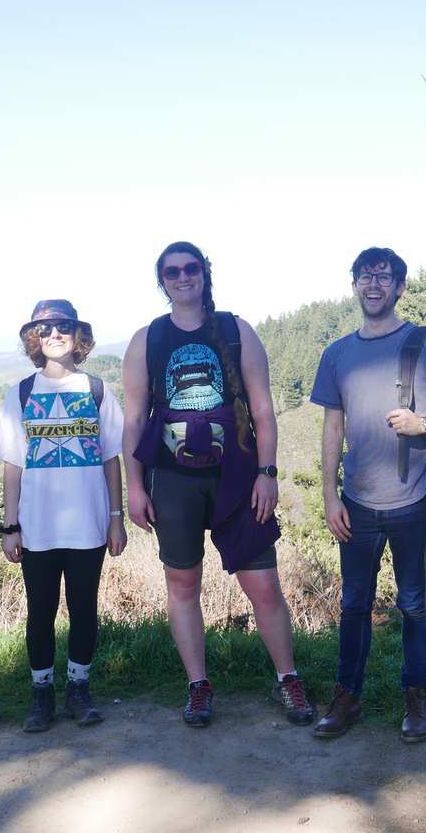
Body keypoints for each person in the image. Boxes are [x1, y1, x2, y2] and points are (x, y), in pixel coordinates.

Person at [122, 240, 315, 728]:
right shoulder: (146, 339)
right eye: (172, 272)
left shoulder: (236, 331)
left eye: (191, 268)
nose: (183, 277)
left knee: (263, 585)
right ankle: (198, 686)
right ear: (161, 281)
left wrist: (268, 474)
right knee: (182, 583)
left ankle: (287, 678)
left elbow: (264, 411)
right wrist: (136, 487)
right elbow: (133, 420)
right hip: (172, 479)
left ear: (205, 273)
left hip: (238, 476)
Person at [309, 248, 426, 743]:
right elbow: (331, 426)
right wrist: (329, 496)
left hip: (414, 499)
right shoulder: (337, 353)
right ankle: (347, 698)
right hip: (356, 503)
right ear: (354, 285)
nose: (374, 284)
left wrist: (424, 422)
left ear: (400, 287)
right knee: (354, 604)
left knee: (413, 604)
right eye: (365, 276)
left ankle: (415, 696)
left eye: (384, 277)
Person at [0, 300, 126, 732]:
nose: (55, 334)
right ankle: (42, 695)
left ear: (78, 336)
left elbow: (112, 458)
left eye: (64, 327)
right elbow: (12, 466)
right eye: (46, 328)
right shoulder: (21, 393)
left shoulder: (96, 389)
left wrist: (116, 517)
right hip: (37, 527)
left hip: (88, 525)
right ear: (34, 338)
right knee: (40, 611)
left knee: (84, 608)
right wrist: (9, 525)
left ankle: (78, 689)